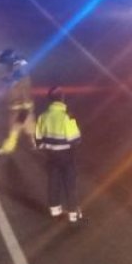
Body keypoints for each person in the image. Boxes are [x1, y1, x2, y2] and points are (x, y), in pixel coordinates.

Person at [35, 87, 82, 222]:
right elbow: (75, 139)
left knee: (53, 180)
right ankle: (73, 213)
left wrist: (48, 146)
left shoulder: (42, 116)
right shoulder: (67, 116)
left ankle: (55, 209)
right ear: (62, 99)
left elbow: (38, 139)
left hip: (51, 155)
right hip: (66, 156)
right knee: (69, 183)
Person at [0, 49, 35, 155]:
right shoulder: (21, 65)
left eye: (5, 62)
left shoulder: (18, 70)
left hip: (18, 105)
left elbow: (16, 83)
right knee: (28, 124)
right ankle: (34, 142)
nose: (4, 65)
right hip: (25, 104)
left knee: (14, 128)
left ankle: (8, 147)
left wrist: (7, 80)